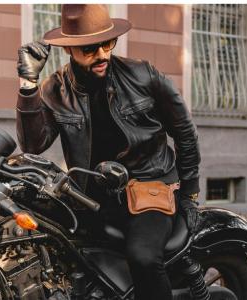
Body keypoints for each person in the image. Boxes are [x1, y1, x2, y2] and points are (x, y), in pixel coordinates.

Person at [15, 4, 201, 300]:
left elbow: (185, 134)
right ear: (70, 49)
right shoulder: (55, 89)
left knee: (142, 257)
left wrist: (190, 195)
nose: (102, 54)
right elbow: (33, 145)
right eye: (90, 48)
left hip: (149, 190)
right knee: (52, 246)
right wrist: (28, 86)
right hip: (91, 197)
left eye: (108, 43)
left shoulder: (143, 75)